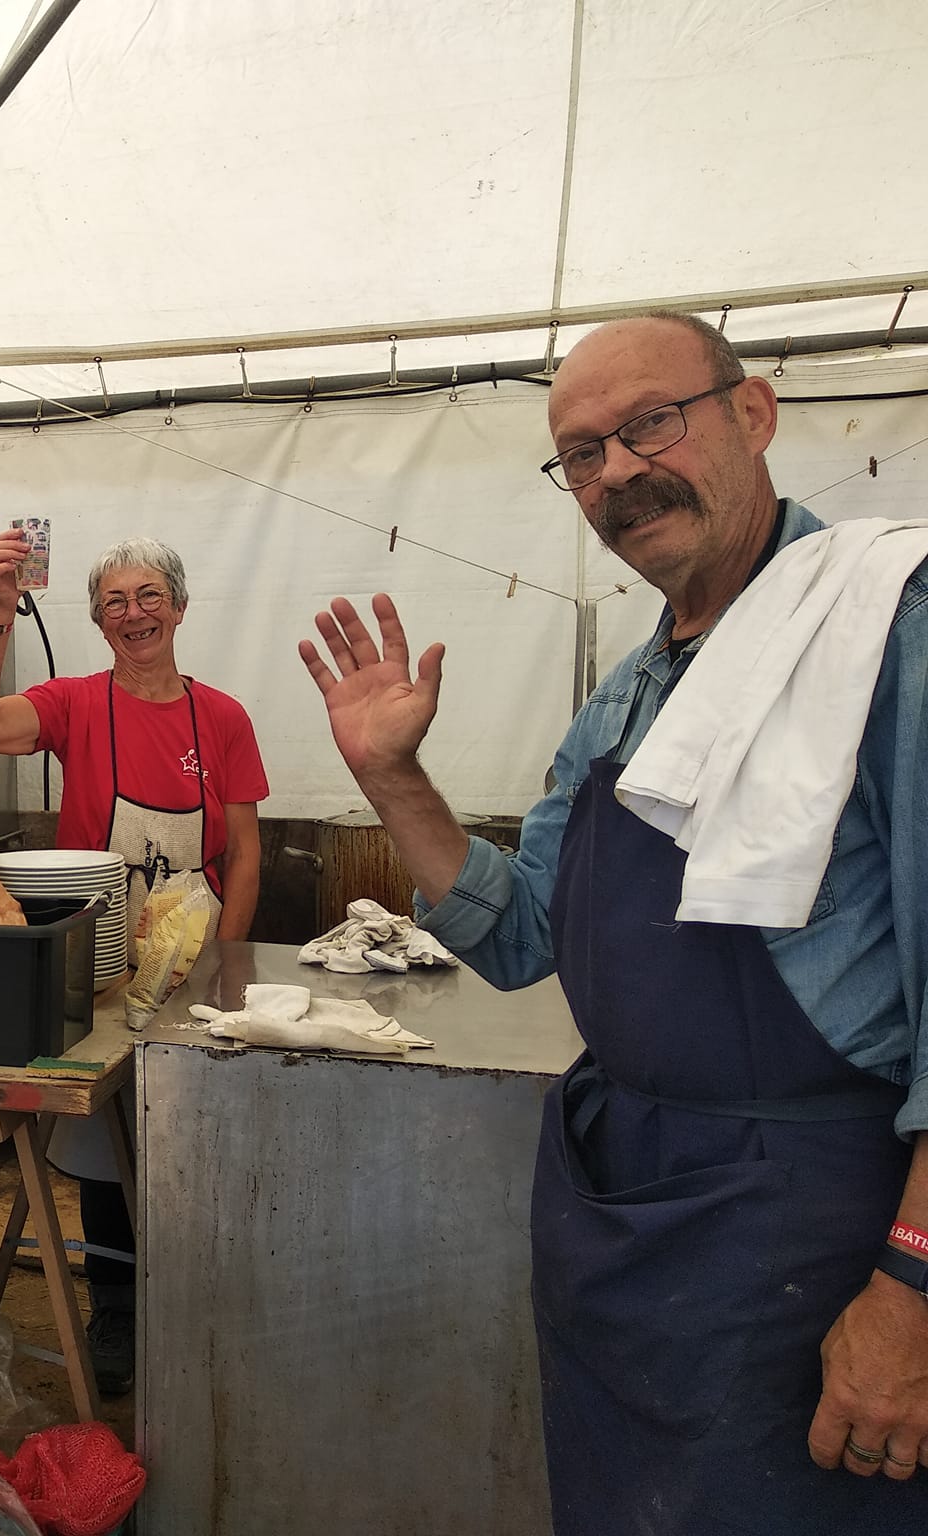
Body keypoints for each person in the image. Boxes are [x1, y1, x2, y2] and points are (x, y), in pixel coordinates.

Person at [299, 312, 928, 1530]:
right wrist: (391, 780)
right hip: (625, 1219)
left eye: (649, 423)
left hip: (809, 1238)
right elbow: (517, 937)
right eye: (580, 454)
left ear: (751, 414)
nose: (618, 472)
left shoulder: (884, 630)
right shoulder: (625, 699)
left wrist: (909, 1286)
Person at [0, 533, 269, 1394]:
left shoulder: (224, 718)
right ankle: (118, 1308)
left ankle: (196, 1300)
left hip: (195, 964)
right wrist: (1, 610)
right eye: (115, 602)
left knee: (190, 1134)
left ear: (180, 607)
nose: (134, 614)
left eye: (150, 595)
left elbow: (244, 853)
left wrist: (227, 962)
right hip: (94, 967)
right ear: (97, 621)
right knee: (102, 1138)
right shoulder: (74, 704)